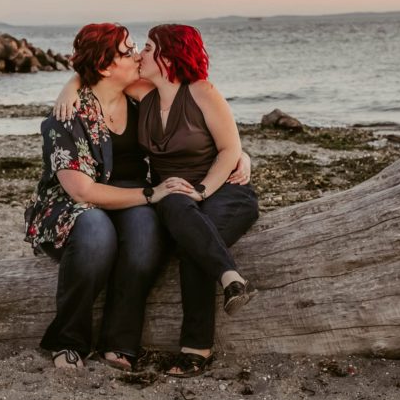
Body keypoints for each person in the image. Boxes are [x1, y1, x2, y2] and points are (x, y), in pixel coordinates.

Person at [56, 24, 259, 377]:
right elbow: (95, 75)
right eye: (137, 48)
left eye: (147, 47)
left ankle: (199, 343)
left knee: (193, 239)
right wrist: (68, 88)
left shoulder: (201, 91)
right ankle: (226, 288)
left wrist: (209, 186)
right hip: (174, 194)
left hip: (224, 191)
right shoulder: (143, 93)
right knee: (181, 214)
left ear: (168, 55)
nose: (140, 54)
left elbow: (229, 149)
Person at [25, 23, 186, 370]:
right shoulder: (67, 117)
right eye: (127, 51)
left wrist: (235, 153)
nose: (137, 55)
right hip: (71, 205)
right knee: (98, 232)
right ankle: (68, 341)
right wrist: (151, 194)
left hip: (130, 196)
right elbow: (81, 190)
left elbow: (196, 113)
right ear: (104, 66)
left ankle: (120, 342)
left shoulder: (139, 94)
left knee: (145, 235)